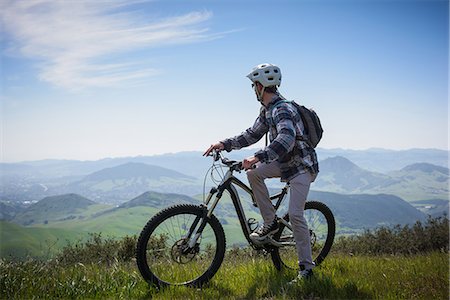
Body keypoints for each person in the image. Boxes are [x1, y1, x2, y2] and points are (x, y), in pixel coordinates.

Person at [203, 63, 319, 282]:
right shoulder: (267, 110)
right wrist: (223, 144)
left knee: (295, 214)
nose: (253, 90)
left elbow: (286, 138)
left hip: (302, 165)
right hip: (284, 162)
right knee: (253, 173)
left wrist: (257, 157)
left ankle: (307, 269)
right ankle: (271, 223)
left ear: (260, 86)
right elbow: (252, 135)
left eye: (253, 85)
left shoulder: (282, 108)